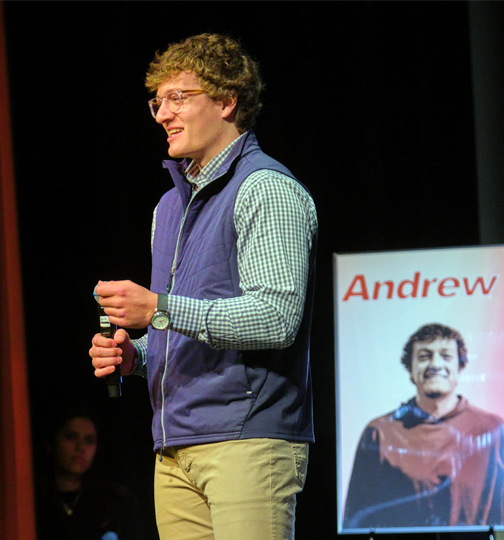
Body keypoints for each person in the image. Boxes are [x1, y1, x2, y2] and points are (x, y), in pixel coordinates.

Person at [88, 33, 317, 540]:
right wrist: (137, 356)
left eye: (179, 98)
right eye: (157, 102)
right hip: (174, 448)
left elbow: (276, 318)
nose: (163, 114)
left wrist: (160, 310)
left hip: (247, 440)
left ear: (227, 101)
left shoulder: (265, 189)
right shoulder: (168, 207)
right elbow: (181, 323)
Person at [343, 323, 504, 529]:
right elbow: (356, 518)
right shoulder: (380, 433)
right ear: (410, 370)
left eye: (446, 356)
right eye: (424, 356)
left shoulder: (493, 429)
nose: (435, 364)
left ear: (460, 368)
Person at [34, 405, 149, 540]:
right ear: (50, 444)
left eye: (89, 440)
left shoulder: (117, 502)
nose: (80, 447)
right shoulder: (32, 502)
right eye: (71, 437)